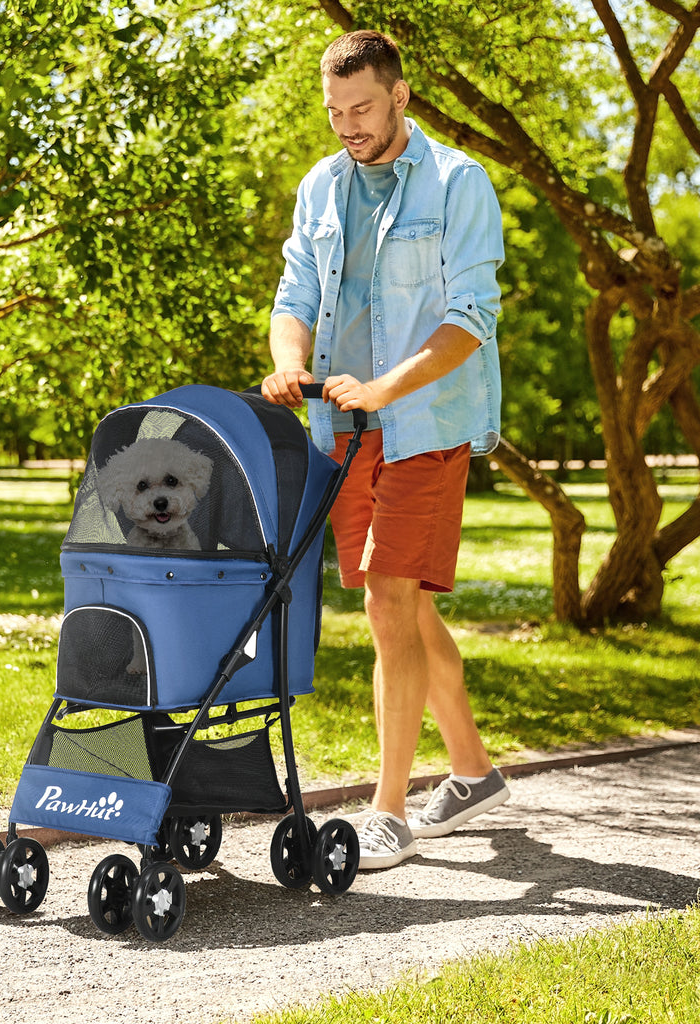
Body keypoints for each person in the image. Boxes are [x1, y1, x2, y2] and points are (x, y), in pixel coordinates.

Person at [262, 29, 509, 869]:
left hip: (425, 425)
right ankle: (472, 772)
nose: (347, 126)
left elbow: (470, 318)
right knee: (403, 604)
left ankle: (389, 809)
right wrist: (290, 364)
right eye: (334, 112)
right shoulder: (323, 187)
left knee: (386, 605)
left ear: (400, 96)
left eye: (361, 108)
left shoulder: (457, 183)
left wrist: (382, 390)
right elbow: (296, 290)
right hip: (342, 429)